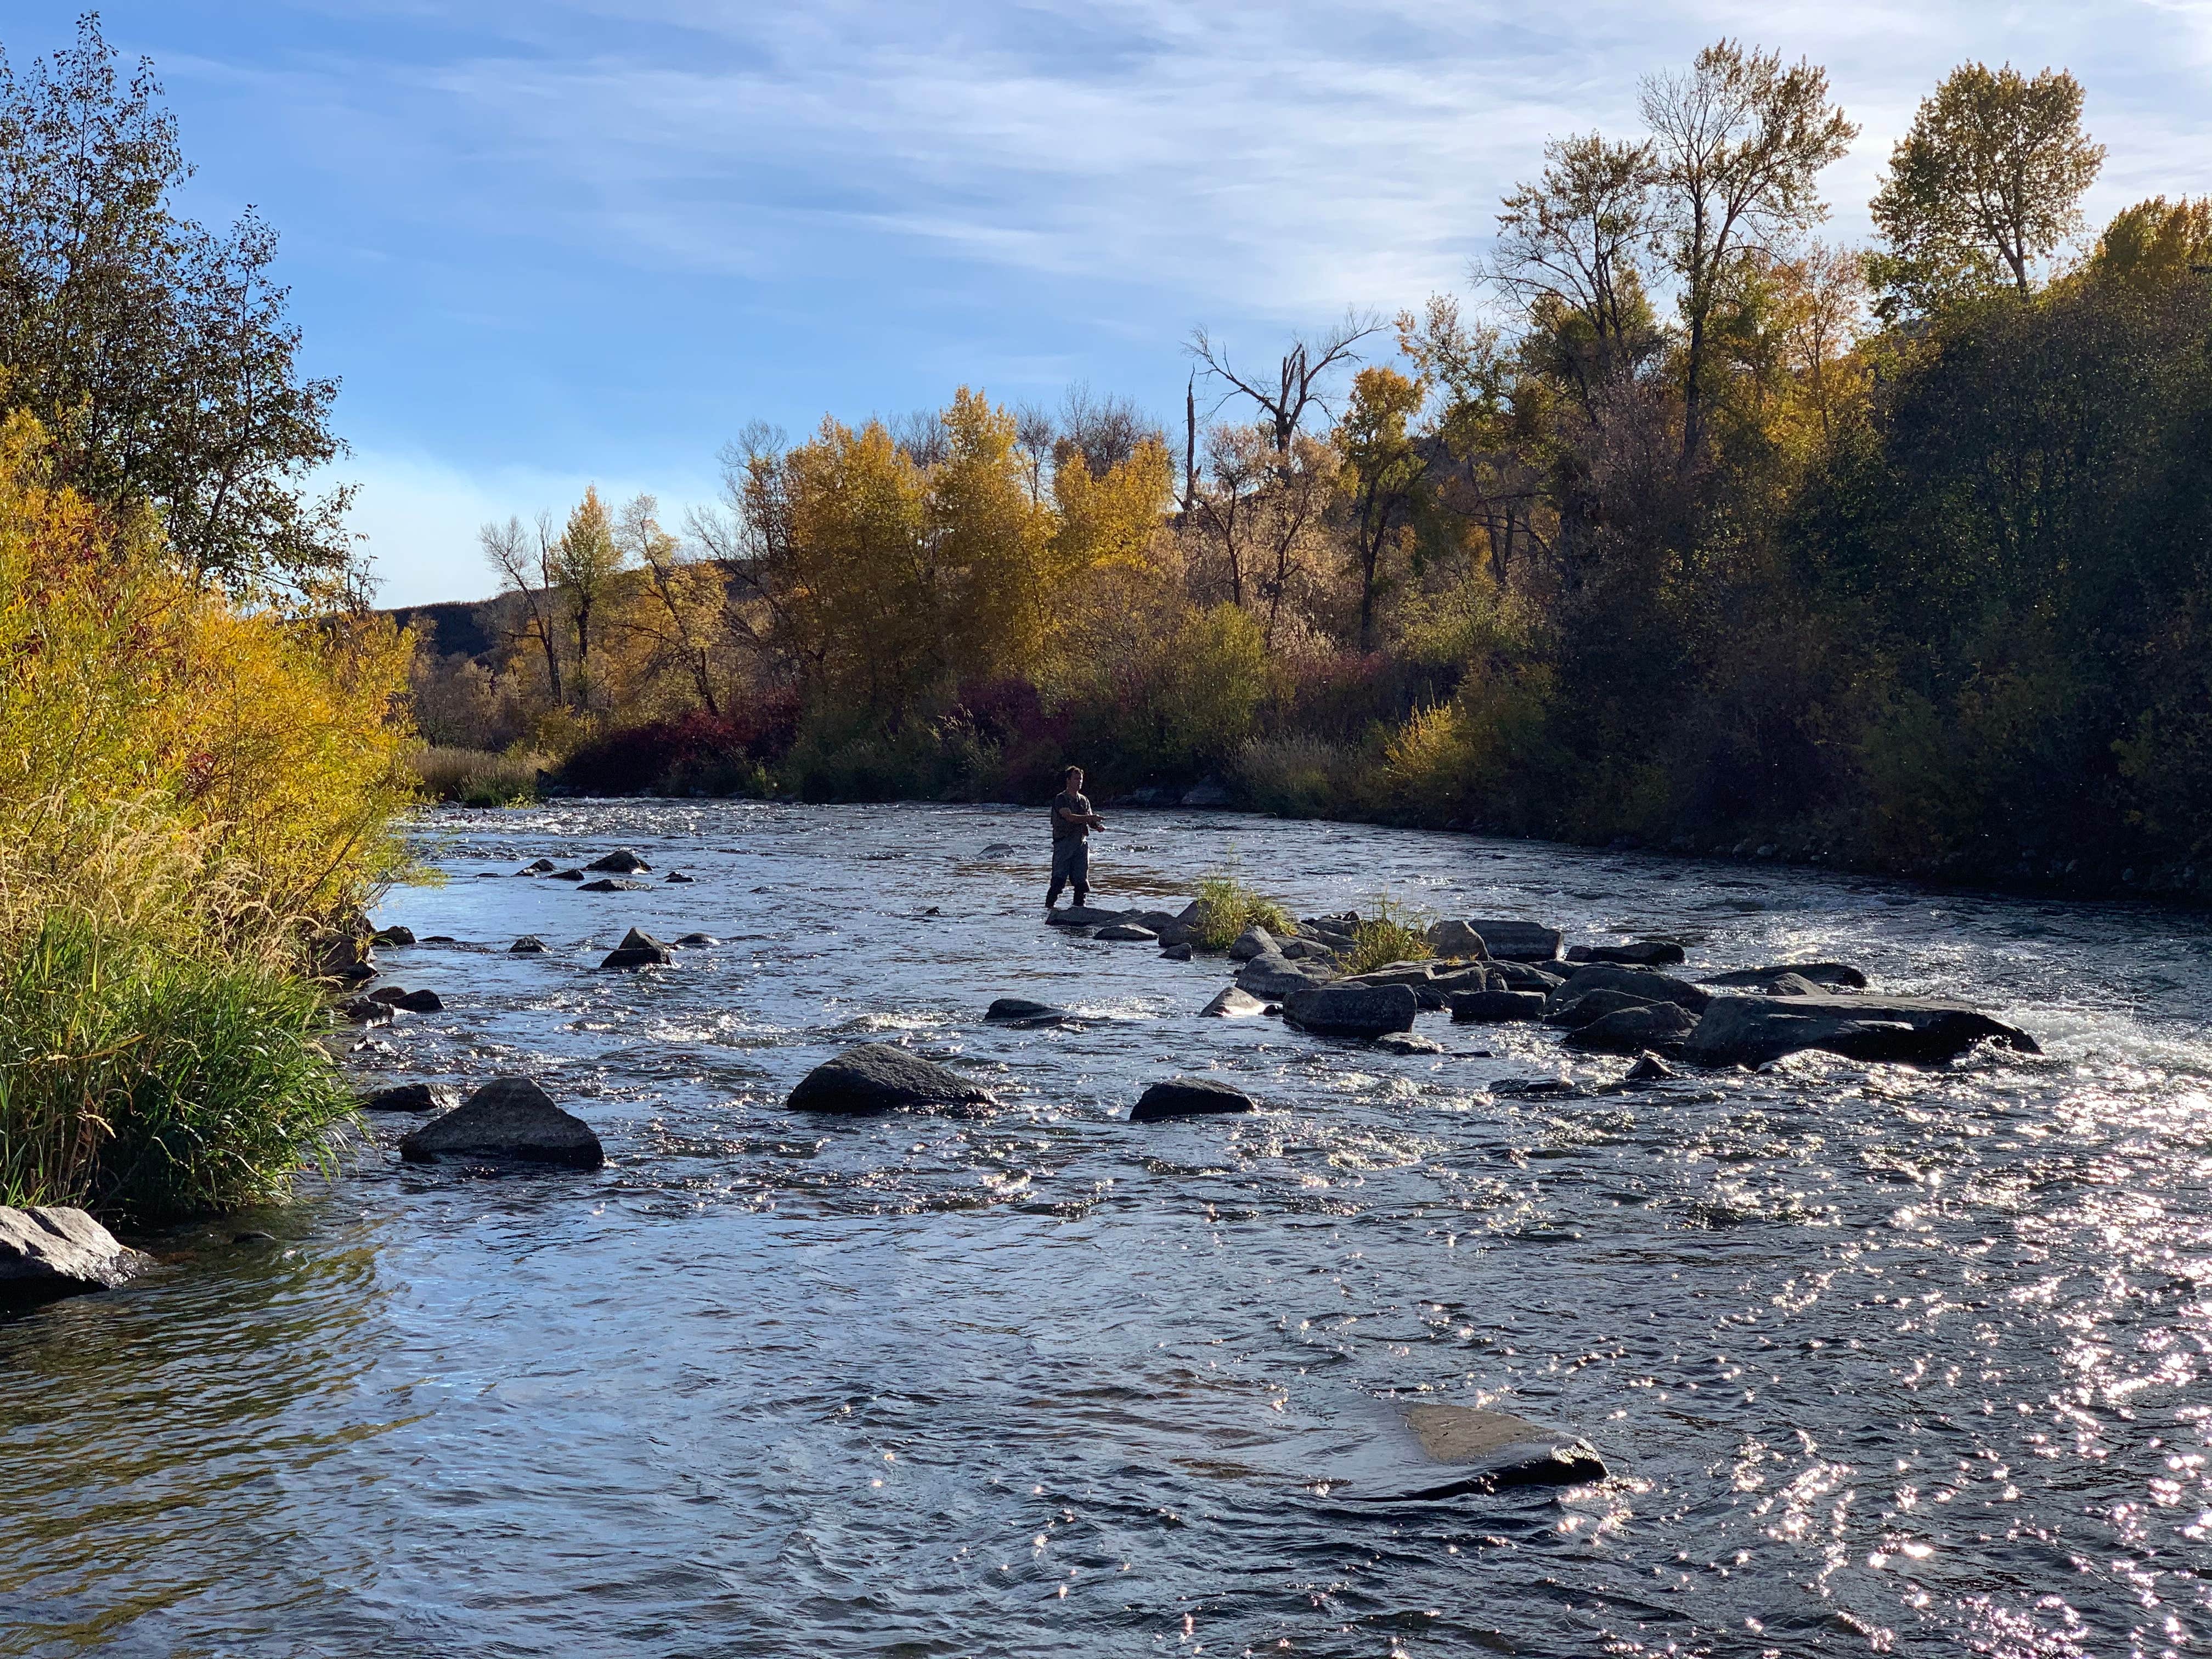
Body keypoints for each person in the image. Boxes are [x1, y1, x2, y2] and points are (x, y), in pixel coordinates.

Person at [1046, 765, 1105, 911]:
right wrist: (1091, 817)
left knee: (1081, 881)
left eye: (1081, 779)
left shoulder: (1084, 800)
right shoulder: (1061, 799)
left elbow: (1089, 821)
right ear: (1068, 780)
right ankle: (1049, 908)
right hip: (1064, 844)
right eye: (1076, 779)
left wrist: (1097, 825)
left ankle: (1079, 908)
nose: (1079, 782)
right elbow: (1070, 817)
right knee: (1059, 880)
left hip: (1081, 844)